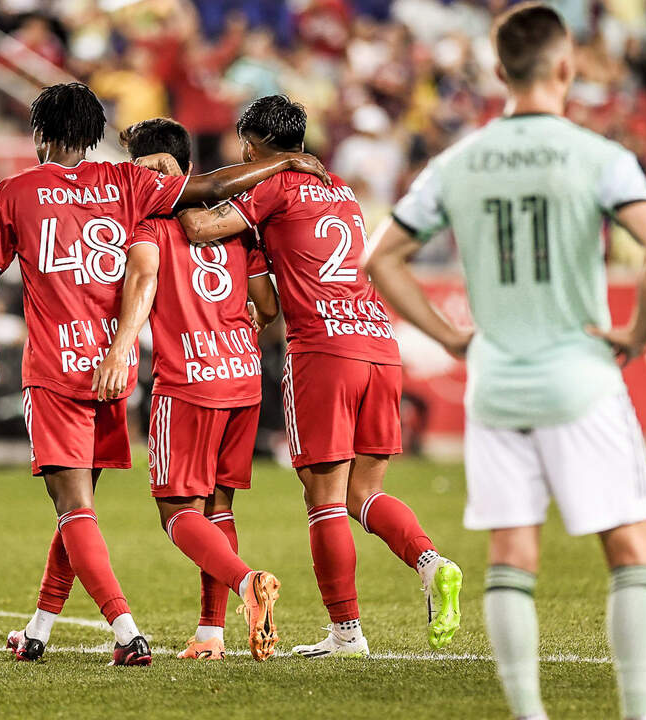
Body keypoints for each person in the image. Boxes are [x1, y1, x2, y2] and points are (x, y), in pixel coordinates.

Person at [0, 81, 329, 665]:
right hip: (116, 371)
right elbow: (215, 188)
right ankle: (39, 628)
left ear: (40, 134)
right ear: (93, 136)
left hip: (59, 371)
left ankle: (128, 629)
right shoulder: (126, 184)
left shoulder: (15, 192)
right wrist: (288, 161)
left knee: (76, 510)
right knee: (86, 510)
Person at [363, 5, 646, 720]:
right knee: (630, 545)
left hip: (496, 383)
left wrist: (451, 337)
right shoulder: (598, 155)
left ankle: (529, 713)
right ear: (566, 68)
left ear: (500, 72)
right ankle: (639, 713)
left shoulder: (458, 161)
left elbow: (380, 257)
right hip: (580, 377)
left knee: (513, 551)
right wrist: (635, 331)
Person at [173, 94, 463, 658]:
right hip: (379, 342)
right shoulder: (343, 191)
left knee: (325, 499)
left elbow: (204, 227)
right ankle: (431, 561)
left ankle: (346, 633)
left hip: (324, 350)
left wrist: (170, 194)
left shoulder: (275, 184)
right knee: (365, 492)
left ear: (252, 146)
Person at [93, 117, 283, 661]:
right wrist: (248, 318)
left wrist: (120, 346)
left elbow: (144, 278)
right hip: (243, 377)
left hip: (188, 382)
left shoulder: (151, 224)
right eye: (141, 171)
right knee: (218, 508)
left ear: (182, 170)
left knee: (177, 513)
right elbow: (266, 305)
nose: (149, 180)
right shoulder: (234, 225)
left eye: (156, 169)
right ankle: (211, 634)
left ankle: (248, 584)